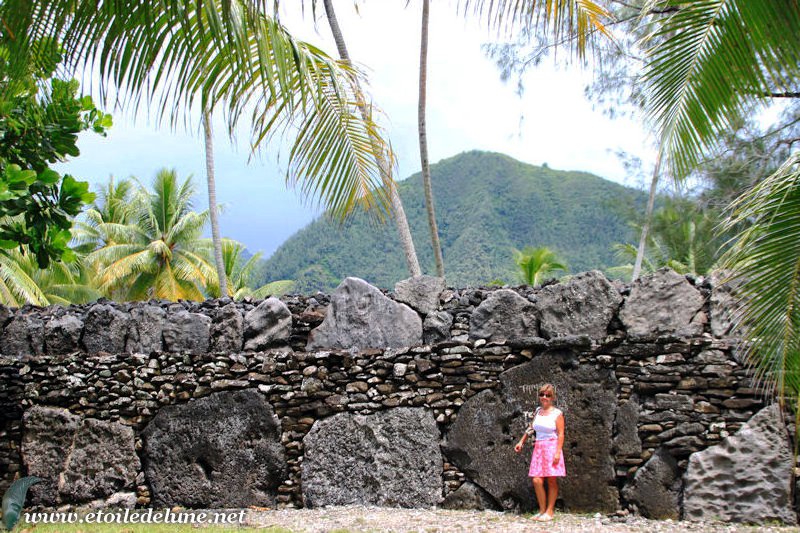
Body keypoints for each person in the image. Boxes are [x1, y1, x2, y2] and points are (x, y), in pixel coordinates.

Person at [514, 383, 565, 521]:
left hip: (551, 447)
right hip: (539, 448)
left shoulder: (557, 414)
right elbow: (531, 428)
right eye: (542, 394)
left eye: (548, 395)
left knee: (552, 480)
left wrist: (558, 452)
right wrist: (521, 441)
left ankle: (549, 511)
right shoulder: (537, 411)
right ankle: (542, 510)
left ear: (552, 397)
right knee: (537, 480)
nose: (544, 397)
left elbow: (561, 434)